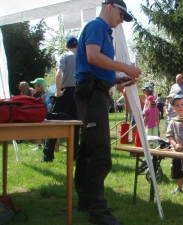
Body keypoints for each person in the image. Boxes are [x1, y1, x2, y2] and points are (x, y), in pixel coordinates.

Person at [74, 1, 141, 225]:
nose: (122, 20)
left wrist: (117, 79)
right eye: (122, 15)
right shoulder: (96, 26)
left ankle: (86, 201)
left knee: (87, 150)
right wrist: (124, 67)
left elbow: (95, 66)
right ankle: (98, 211)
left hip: (96, 91)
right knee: (100, 153)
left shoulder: (105, 32)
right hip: (92, 94)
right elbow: (92, 56)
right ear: (110, 7)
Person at [39, 36, 80, 162]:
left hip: (65, 92)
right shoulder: (82, 58)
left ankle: (48, 155)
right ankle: (74, 155)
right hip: (79, 93)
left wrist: (57, 92)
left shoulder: (64, 56)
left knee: (54, 122)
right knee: (75, 125)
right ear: (77, 46)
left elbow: (58, 74)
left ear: (66, 46)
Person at [30, 77, 47, 150]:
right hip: (43, 112)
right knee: (42, 129)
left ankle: (39, 145)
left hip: (37, 113)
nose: (34, 86)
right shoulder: (44, 93)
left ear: (39, 86)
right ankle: (41, 144)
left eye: (35, 85)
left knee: (38, 129)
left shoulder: (36, 94)